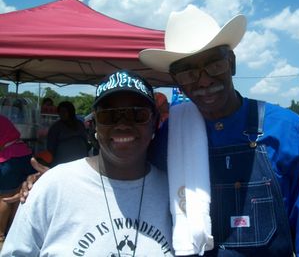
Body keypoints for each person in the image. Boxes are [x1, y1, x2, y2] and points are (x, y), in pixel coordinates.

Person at [139, 5, 299, 256]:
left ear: (231, 63)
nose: (203, 80)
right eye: (187, 72)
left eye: (214, 64)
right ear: (177, 81)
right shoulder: (169, 136)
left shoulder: (286, 129)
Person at [0, 70, 174, 256]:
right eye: (109, 115)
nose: (123, 124)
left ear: (155, 122)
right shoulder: (53, 187)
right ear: (95, 124)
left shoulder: (175, 192)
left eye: (138, 114)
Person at [0, 115, 36, 244]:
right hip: (24, 154)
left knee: (5, 197)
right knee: (18, 196)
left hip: (10, 158)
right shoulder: (3, 118)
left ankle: (0, 235)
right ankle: (13, 231)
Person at [47, 101, 89, 166]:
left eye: (64, 111)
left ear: (71, 112)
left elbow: (85, 141)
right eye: (60, 112)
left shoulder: (80, 124)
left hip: (81, 162)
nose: (62, 114)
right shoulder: (56, 127)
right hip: (63, 163)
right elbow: (51, 147)